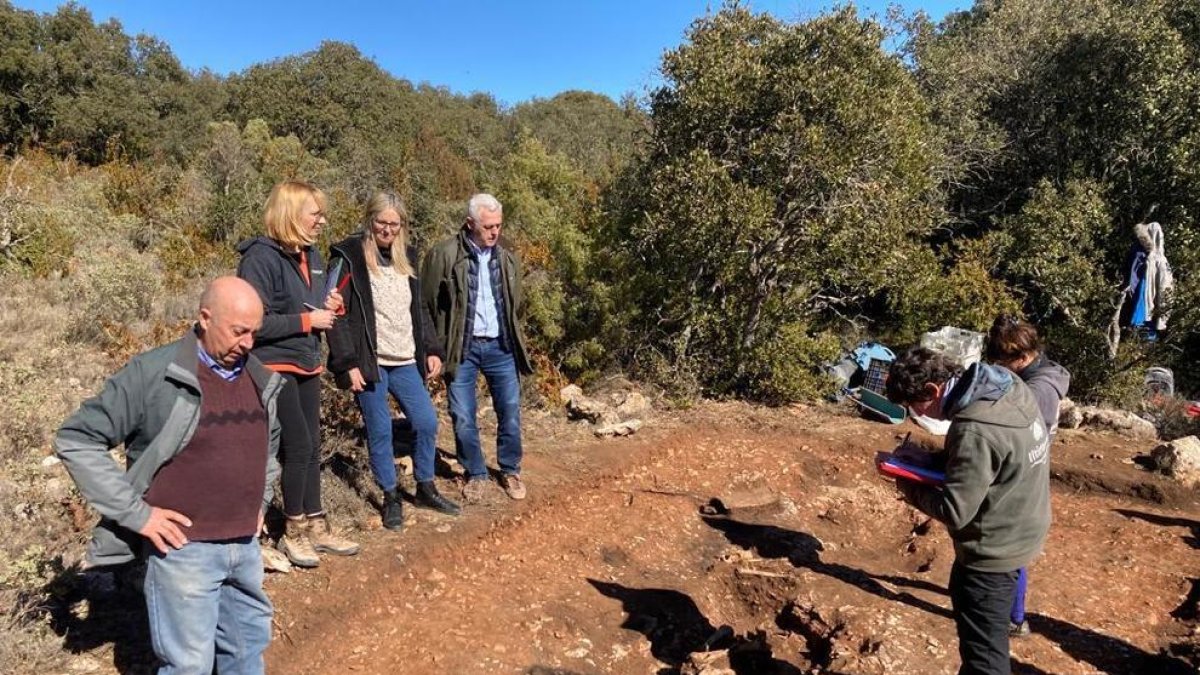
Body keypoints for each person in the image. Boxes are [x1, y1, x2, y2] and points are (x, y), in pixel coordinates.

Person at [55, 277, 281, 675]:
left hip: (244, 546)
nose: (247, 344)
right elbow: (77, 438)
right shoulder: (154, 373)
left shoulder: (259, 377)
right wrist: (138, 514)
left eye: (254, 333)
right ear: (204, 318)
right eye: (238, 331)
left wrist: (261, 501)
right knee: (189, 665)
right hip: (184, 552)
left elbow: (270, 447)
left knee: (246, 654)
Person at [884, 348, 1051, 675]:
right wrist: (928, 459)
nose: (913, 413)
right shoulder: (1006, 386)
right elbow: (992, 461)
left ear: (932, 391)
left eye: (913, 405)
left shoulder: (973, 427)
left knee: (985, 659)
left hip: (992, 550)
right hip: (1023, 526)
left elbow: (955, 509)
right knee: (972, 616)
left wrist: (904, 481)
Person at [237, 180, 358, 568]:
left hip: (307, 359)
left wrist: (329, 305)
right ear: (291, 213)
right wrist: (309, 319)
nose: (322, 221)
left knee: (311, 444)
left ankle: (316, 523)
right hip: (273, 363)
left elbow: (314, 306)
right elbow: (253, 322)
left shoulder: (312, 254)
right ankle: (294, 530)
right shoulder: (260, 257)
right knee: (299, 446)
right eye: (315, 213)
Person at [327, 191, 461, 529]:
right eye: (381, 222)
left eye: (394, 224)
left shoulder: (408, 258)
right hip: (369, 360)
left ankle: (426, 487)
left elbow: (419, 312)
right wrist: (346, 363)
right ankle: (390, 497)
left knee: (426, 421)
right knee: (381, 428)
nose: (387, 230)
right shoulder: (348, 257)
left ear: (402, 226)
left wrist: (431, 348)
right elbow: (337, 315)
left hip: (404, 358)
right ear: (369, 220)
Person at [421, 193, 534, 503]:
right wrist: (434, 347)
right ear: (470, 223)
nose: (494, 232)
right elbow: (425, 304)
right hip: (462, 348)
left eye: (498, 225)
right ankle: (476, 472)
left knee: (510, 411)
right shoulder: (444, 255)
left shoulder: (507, 255)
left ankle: (510, 469)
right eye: (488, 226)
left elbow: (516, 303)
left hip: (501, 346)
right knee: (463, 414)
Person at [986, 315, 1071, 638]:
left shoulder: (1039, 391)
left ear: (1022, 358)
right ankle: (1011, 611)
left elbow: (1024, 433)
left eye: (1002, 362)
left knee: (1012, 547)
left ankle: (1015, 617)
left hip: (1023, 470)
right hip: (1027, 465)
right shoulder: (1038, 377)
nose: (998, 368)